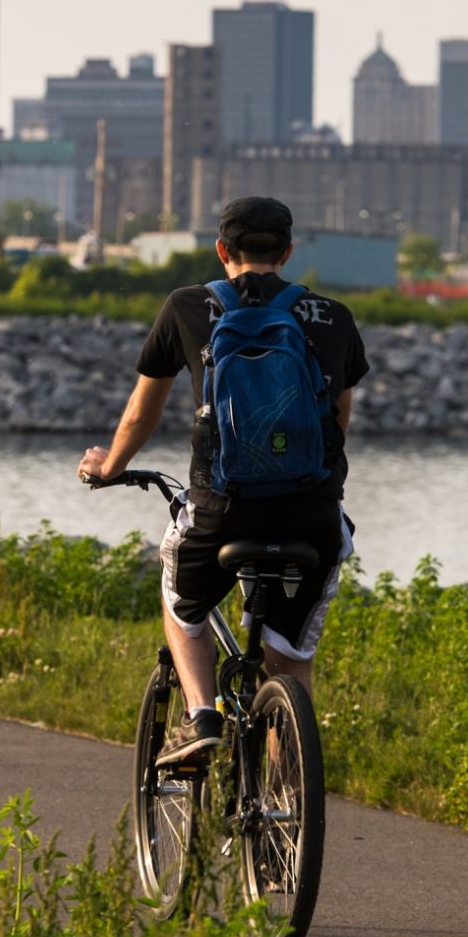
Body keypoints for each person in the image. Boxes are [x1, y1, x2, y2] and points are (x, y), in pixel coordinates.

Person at [78, 195, 371, 761]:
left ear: (221, 251)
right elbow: (338, 419)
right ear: (287, 253)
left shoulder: (188, 306)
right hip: (312, 515)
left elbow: (142, 413)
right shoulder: (333, 317)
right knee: (291, 661)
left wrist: (107, 466)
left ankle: (202, 715)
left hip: (221, 509)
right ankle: (290, 809)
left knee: (180, 606)